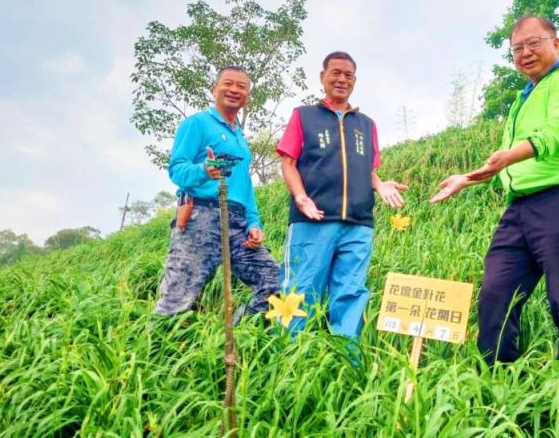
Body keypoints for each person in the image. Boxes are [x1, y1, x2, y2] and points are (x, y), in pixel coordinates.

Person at [430, 16, 559, 369]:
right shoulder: (521, 99)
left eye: (534, 43)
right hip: (520, 207)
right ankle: (500, 377)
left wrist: (510, 155)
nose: (525, 53)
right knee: (496, 292)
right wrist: (465, 179)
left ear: (556, 44)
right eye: (517, 48)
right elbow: (504, 163)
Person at [276, 51, 407, 339]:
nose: (341, 79)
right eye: (335, 72)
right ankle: (289, 363)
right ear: (322, 77)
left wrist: (380, 185)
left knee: (350, 293)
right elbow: (288, 163)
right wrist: (301, 197)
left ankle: (345, 363)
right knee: (300, 292)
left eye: (348, 75)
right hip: (313, 220)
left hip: (358, 225)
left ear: (355, 81)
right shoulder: (304, 116)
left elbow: (369, 168)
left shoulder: (366, 124)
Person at [153, 65, 279, 319]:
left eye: (241, 87)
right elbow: (177, 169)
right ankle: (158, 354)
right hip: (200, 216)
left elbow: (245, 187)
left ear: (248, 96)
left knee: (274, 282)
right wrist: (203, 170)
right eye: (228, 84)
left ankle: (236, 338)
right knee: (177, 298)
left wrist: (253, 223)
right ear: (214, 89)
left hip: (238, 224)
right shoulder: (197, 124)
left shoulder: (241, 140)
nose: (234, 90)